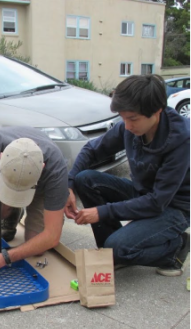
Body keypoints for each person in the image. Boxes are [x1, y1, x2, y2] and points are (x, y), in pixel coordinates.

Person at [66, 74, 190, 276]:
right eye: (123, 118)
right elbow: (91, 150)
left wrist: (102, 212)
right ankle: (118, 250)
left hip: (173, 207)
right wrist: (69, 185)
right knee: (85, 179)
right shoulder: (129, 125)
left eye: (132, 119)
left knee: (117, 248)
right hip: (142, 193)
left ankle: (176, 248)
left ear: (157, 111)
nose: (127, 125)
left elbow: (157, 202)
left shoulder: (181, 139)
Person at [0, 127, 69, 277]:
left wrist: (3, 259)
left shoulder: (56, 170)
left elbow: (52, 237)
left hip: (41, 189)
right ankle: (13, 213)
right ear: (1, 158)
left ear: (42, 167)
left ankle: (53, 212)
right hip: (3, 177)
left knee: (38, 248)